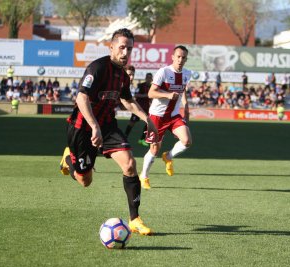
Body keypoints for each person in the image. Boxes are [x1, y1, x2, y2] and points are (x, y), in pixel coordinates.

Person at [59, 28, 158, 236]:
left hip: (107, 126)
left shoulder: (123, 75)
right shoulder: (97, 68)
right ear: (111, 47)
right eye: (121, 47)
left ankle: (134, 219)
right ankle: (68, 159)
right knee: (84, 181)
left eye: (129, 49)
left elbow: (128, 101)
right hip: (82, 127)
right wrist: (94, 126)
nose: (125, 53)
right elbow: (81, 98)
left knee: (130, 164)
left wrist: (147, 119)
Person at [140, 45, 193, 190]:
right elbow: (151, 93)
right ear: (173, 57)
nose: (180, 60)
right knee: (154, 149)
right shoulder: (163, 72)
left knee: (187, 141)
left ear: (186, 59)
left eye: (183, 57)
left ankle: (168, 156)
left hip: (174, 115)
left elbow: (182, 93)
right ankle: (143, 176)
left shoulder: (187, 74)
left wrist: (186, 108)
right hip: (158, 115)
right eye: (178, 57)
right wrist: (167, 95)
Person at [125, 71, 153, 146]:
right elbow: (136, 95)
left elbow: (151, 98)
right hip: (138, 108)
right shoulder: (140, 85)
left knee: (148, 123)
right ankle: (124, 137)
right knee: (132, 123)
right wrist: (146, 95)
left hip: (146, 108)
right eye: (148, 78)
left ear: (152, 79)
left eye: (150, 78)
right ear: (146, 78)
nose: (149, 79)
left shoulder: (152, 87)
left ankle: (142, 139)